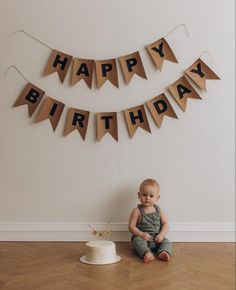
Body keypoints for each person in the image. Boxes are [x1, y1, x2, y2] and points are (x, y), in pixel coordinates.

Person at [128, 178, 172, 263]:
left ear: (157, 198)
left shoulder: (159, 210)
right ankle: (147, 253)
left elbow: (165, 223)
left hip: (157, 238)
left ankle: (163, 252)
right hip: (143, 238)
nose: (147, 198)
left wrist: (161, 235)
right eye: (144, 195)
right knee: (137, 241)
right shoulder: (137, 211)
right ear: (139, 195)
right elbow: (131, 226)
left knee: (167, 242)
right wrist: (140, 234)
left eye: (151, 196)